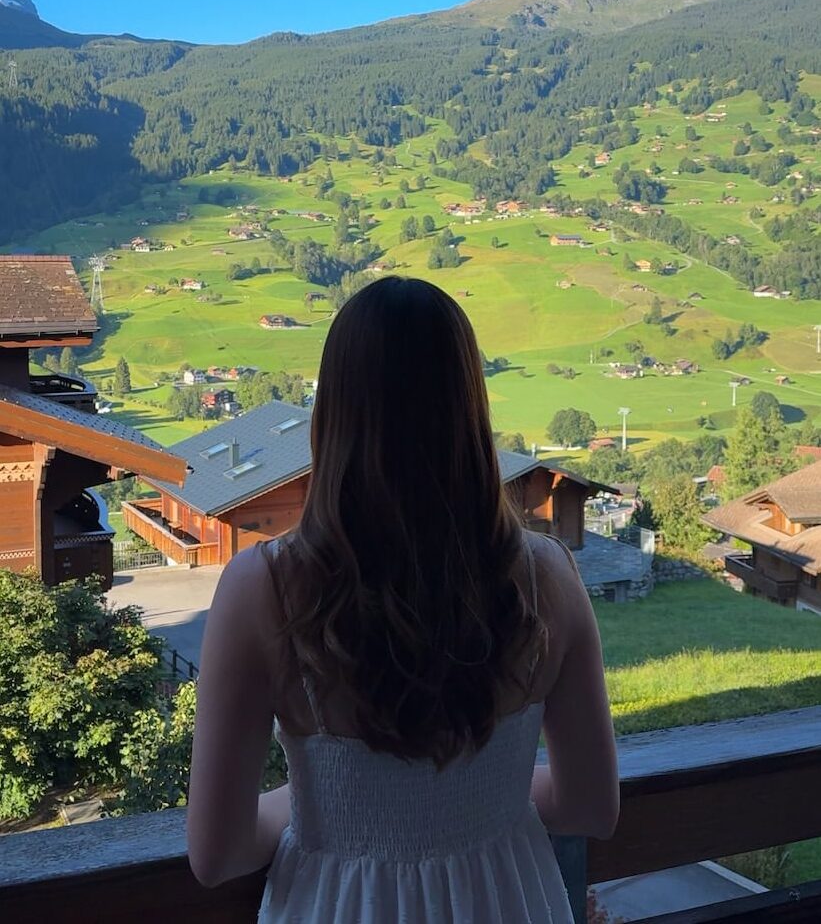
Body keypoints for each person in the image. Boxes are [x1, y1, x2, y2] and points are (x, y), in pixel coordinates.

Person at [188, 276, 618, 922]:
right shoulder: (544, 573)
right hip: (508, 900)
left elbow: (216, 854)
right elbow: (589, 808)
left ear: (334, 408)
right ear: (468, 403)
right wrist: (477, 793)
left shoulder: (264, 585)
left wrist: (314, 799)